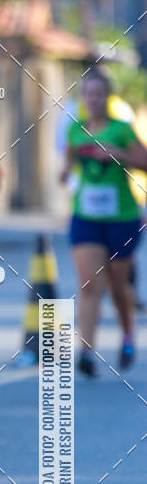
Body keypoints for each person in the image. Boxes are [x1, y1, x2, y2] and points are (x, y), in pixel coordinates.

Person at [60, 70, 147, 376]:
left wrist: (120, 154)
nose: (93, 99)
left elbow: (145, 162)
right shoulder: (76, 130)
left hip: (122, 219)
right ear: (83, 98)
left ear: (107, 97)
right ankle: (86, 351)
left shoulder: (122, 130)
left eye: (99, 94)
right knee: (88, 284)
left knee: (118, 286)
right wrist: (65, 171)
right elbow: (70, 159)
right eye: (88, 94)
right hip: (85, 217)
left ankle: (127, 336)